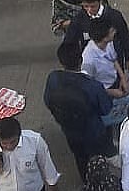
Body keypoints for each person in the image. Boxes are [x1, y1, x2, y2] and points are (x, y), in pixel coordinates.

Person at [42, 41, 113, 177]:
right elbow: (106, 109)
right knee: (99, 157)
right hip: (93, 131)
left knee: (80, 157)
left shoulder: (53, 78)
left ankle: (85, 179)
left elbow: (47, 100)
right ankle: (101, 180)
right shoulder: (93, 86)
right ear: (81, 60)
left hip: (70, 130)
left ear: (61, 61)